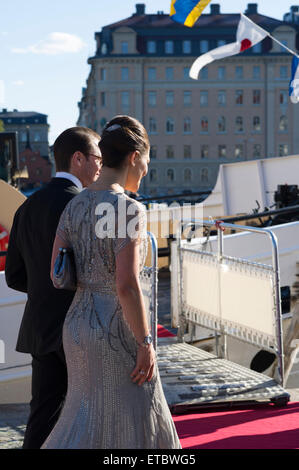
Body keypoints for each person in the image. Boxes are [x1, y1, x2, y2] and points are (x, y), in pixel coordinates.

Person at [41, 115, 181, 449]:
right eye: (147, 159)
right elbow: (127, 285)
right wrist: (146, 343)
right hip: (116, 328)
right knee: (138, 415)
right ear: (134, 157)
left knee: (83, 416)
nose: (146, 169)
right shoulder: (128, 209)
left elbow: (56, 273)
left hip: (76, 327)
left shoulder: (74, 205)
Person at [5, 127, 102, 449]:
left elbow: (14, 276)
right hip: (80, 328)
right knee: (91, 414)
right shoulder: (85, 207)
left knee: (43, 416)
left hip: (40, 328)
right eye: (97, 158)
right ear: (78, 159)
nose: (100, 165)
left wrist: (46, 291)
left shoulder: (27, 208)